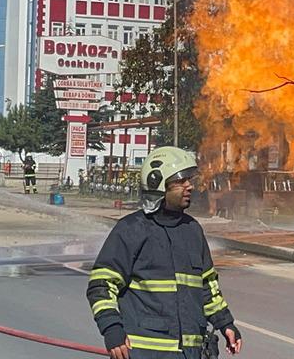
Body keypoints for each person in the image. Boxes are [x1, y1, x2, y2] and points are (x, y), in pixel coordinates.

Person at [87, 147, 242, 359]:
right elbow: (102, 284)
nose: (189, 186)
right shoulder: (132, 229)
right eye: (181, 181)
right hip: (145, 353)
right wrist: (112, 328)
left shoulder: (192, 230)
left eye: (190, 180)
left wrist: (226, 324)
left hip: (190, 353)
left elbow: (207, 286)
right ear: (157, 184)